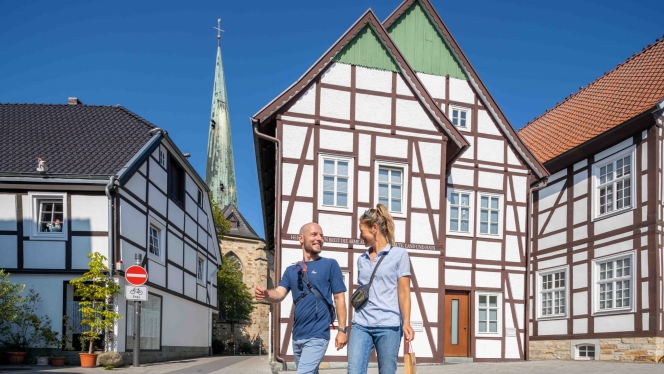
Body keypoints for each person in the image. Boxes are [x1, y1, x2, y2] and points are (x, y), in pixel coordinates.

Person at [255, 222, 347, 374]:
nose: (319, 238)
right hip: (297, 336)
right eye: (314, 234)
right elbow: (279, 293)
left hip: (318, 334)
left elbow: (339, 297)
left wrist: (342, 330)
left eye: (321, 235)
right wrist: (267, 294)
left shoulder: (330, 264)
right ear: (301, 239)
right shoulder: (292, 270)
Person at [347, 204, 414, 374]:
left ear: (374, 228)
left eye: (362, 231)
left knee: (387, 371)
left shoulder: (399, 254)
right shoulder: (361, 259)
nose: (360, 235)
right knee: (354, 371)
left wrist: (406, 321)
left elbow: (404, 291)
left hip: (389, 325)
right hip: (361, 323)